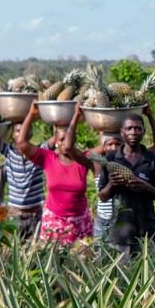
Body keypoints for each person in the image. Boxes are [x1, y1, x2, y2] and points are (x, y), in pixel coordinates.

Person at [14, 101, 94, 245]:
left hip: (80, 222)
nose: (64, 143)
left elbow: (108, 145)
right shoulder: (48, 158)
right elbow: (22, 144)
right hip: (54, 221)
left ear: (74, 139)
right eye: (61, 139)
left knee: (82, 263)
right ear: (55, 140)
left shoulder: (83, 159)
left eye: (68, 139)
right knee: (53, 263)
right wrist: (31, 114)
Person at [99, 107, 155, 258]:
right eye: (129, 128)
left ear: (144, 131)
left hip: (148, 232)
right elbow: (102, 196)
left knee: (153, 276)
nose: (133, 132)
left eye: (138, 128)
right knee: (122, 279)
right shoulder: (111, 160)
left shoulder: (152, 159)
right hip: (120, 234)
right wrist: (112, 184)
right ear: (122, 131)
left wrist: (146, 187)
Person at [0, 92, 46, 239]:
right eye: (18, 131)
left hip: (36, 215)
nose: (21, 134)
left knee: (36, 256)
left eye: (24, 130)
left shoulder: (40, 153)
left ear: (30, 133)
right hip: (15, 216)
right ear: (13, 135)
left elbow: (58, 138)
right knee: (15, 257)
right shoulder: (9, 152)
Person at [91, 132, 121, 241]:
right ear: (103, 147)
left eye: (118, 144)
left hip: (122, 221)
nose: (114, 147)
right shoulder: (98, 164)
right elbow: (89, 153)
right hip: (103, 220)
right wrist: (104, 132)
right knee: (101, 256)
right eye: (110, 144)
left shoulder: (129, 162)